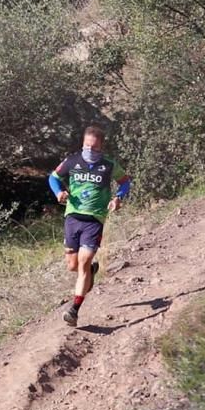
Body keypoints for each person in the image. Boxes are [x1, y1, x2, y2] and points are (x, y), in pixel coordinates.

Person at [48, 125, 132, 326]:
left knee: (84, 261)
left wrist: (118, 198)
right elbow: (53, 177)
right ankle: (90, 274)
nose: (90, 151)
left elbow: (125, 181)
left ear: (101, 147)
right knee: (73, 266)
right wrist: (58, 192)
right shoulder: (72, 161)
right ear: (82, 144)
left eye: (94, 148)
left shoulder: (109, 165)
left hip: (94, 219)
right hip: (72, 217)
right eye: (87, 146)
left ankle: (74, 310)